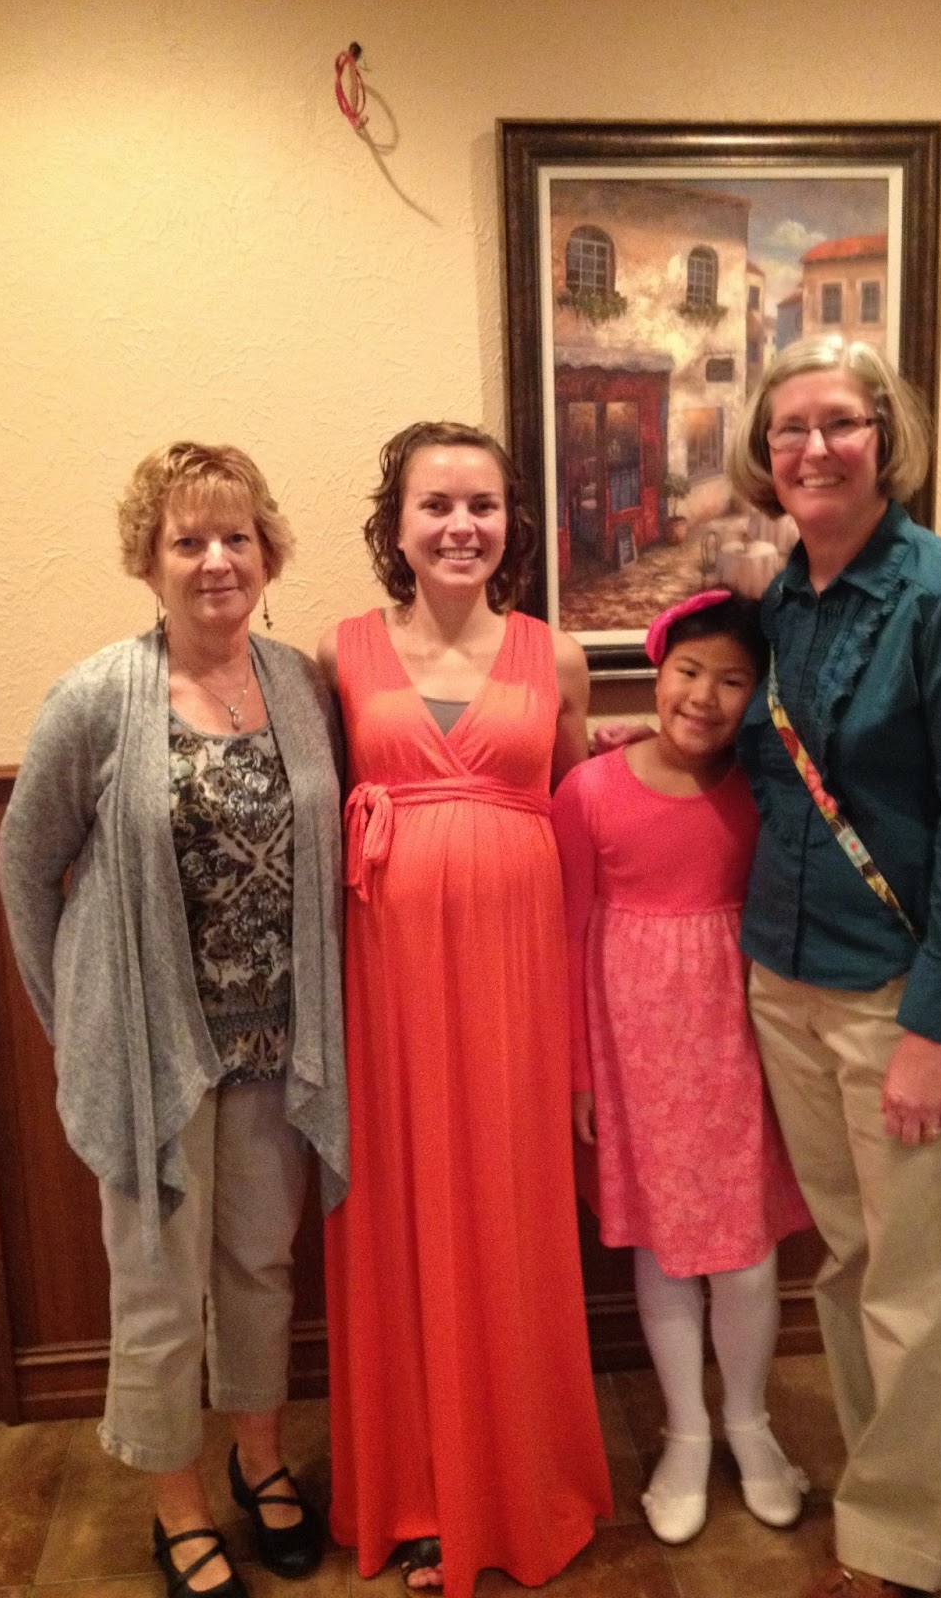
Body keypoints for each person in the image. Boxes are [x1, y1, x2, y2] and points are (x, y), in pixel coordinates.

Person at [0, 443, 347, 1598]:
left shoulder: (298, 684)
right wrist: (76, 1023)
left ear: (268, 552)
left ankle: (260, 1458)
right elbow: (24, 866)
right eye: (187, 540)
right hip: (155, 1053)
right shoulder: (99, 695)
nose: (215, 560)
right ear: (149, 561)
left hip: (277, 1043)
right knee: (157, 1287)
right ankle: (177, 1502)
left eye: (236, 536)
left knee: (259, 1266)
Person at [727, 337, 941, 1598]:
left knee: (915, 1280)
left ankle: (902, 1550)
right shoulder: (783, 601)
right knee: (855, 1262)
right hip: (791, 981)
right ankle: (901, 1483)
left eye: (841, 423)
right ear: (764, 456)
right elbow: (778, 775)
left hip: (906, 997)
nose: (814, 447)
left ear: (885, 438)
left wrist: (932, 1027)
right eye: (789, 429)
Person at [319, 421, 611, 1595]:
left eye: (481, 505)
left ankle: (514, 1478)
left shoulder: (558, 657)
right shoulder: (339, 655)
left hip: (516, 986)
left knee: (507, 1211)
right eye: (434, 505)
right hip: (386, 987)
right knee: (399, 1212)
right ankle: (418, 1485)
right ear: (395, 526)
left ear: (511, 522)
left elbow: (584, 812)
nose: (459, 526)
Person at [552, 589, 812, 1549]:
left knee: (745, 1254)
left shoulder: (767, 786)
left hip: (743, 1042)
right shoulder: (588, 791)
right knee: (663, 1251)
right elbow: (566, 933)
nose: (703, 697)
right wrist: (579, 1073)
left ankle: (749, 1420)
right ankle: (687, 1432)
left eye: (733, 680)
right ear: (657, 672)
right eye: (689, 672)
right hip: (635, 1051)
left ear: (759, 694)